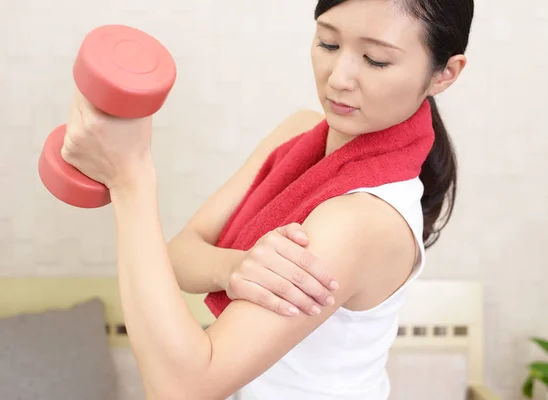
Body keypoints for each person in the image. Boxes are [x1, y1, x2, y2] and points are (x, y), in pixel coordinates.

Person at [61, 0, 473, 398]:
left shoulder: (360, 218)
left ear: (444, 74)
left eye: (376, 60)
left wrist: (130, 180)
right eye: (328, 43)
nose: (339, 77)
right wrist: (235, 267)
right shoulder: (297, 133)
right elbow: (180, 256)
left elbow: (181, 390)